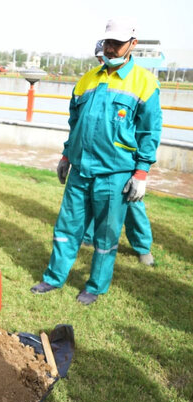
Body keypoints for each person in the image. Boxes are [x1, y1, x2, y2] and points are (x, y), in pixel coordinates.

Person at [31, 18, 162, 305]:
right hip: (81, 170)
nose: (111, 48)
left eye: (117, 43)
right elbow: (74, 122)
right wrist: (66, 156)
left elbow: (149, 132)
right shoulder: (87, 80)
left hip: (114, 174)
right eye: (108, 42)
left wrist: (141, 173)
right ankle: (53, 278)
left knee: (105, 235)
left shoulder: (145, 83)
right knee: (66, 228)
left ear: (133, 44)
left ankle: (95, 286)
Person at [82, 40, 155, 267]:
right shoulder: (95, 80)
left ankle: (143, 247)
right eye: (99, 59)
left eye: (104, 57)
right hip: (98, 159)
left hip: (124, 161)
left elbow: (149, 129)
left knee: (132, 204)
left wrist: (140, 171)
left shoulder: (138, 81)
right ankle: (88, 237)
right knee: (96, 200)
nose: (102, 61)